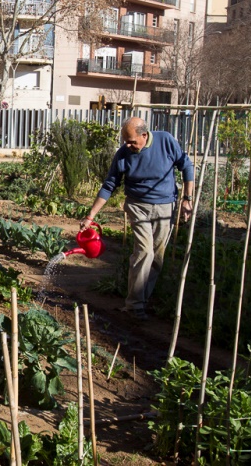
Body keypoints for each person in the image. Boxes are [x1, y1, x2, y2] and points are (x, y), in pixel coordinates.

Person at [79, 117, 194, 320]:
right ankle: (134, 305)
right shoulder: (123, 154)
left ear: (144, 134)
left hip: (165, 206)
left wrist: (187, 198)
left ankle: (143, 299)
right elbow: (109, 185)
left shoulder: (165, 141)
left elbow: (186, 166)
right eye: (125, 141)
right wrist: (91, 216)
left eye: (132, 141)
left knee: (157, 257)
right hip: (137, 206)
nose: (128, 145)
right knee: (144, 251)